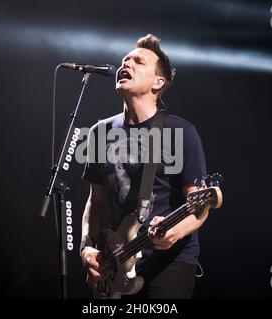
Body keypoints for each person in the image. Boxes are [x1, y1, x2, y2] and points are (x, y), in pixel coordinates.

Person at [79, 34, 209, 299]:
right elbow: (96, 202)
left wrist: (175, 232)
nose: (127, 63)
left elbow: (200, 205)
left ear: (158, 82)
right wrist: (87, 247)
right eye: (126, 59)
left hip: (168, 262)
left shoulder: (181, 131)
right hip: (113, 264)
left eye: (138, 61)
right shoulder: (98, 132)